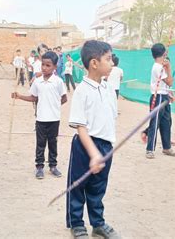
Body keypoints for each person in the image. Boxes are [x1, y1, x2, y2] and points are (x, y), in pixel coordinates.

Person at [66, 40, 120, 239]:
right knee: (79, 186)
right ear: (94, 63)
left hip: (106, 145)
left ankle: (98, 223)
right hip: (85, 145)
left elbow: (110, 119)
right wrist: (93, 152)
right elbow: (81, 126)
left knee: (98, 188)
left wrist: (105, 149)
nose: (112, 62)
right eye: (108, 58)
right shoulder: (82, 90)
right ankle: (77, 224)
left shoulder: (108, 89)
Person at [11, 51, 67, 179]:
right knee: (40, 143)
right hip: (41, 118)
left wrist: (54, 106)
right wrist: (19, 96)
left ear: (55, 67)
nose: (44, 68)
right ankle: (39, 167)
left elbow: (64, 98)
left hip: (54, 119)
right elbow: (33, 97)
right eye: (43, 65)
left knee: (53, 143)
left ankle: (53, 166)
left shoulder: (58, 82)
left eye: (48, 65)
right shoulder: (37, 81)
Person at [145, 43, 175, 159]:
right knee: (155, 123)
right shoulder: (158, 67)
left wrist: (171, 94)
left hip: (164, 96)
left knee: (166, 122)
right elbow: (170, 82)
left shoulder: (160, 66)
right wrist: (169, 68)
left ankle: (167, 147)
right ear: (164, 53)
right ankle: (149, 149)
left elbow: (167, 86)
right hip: (157, 97)